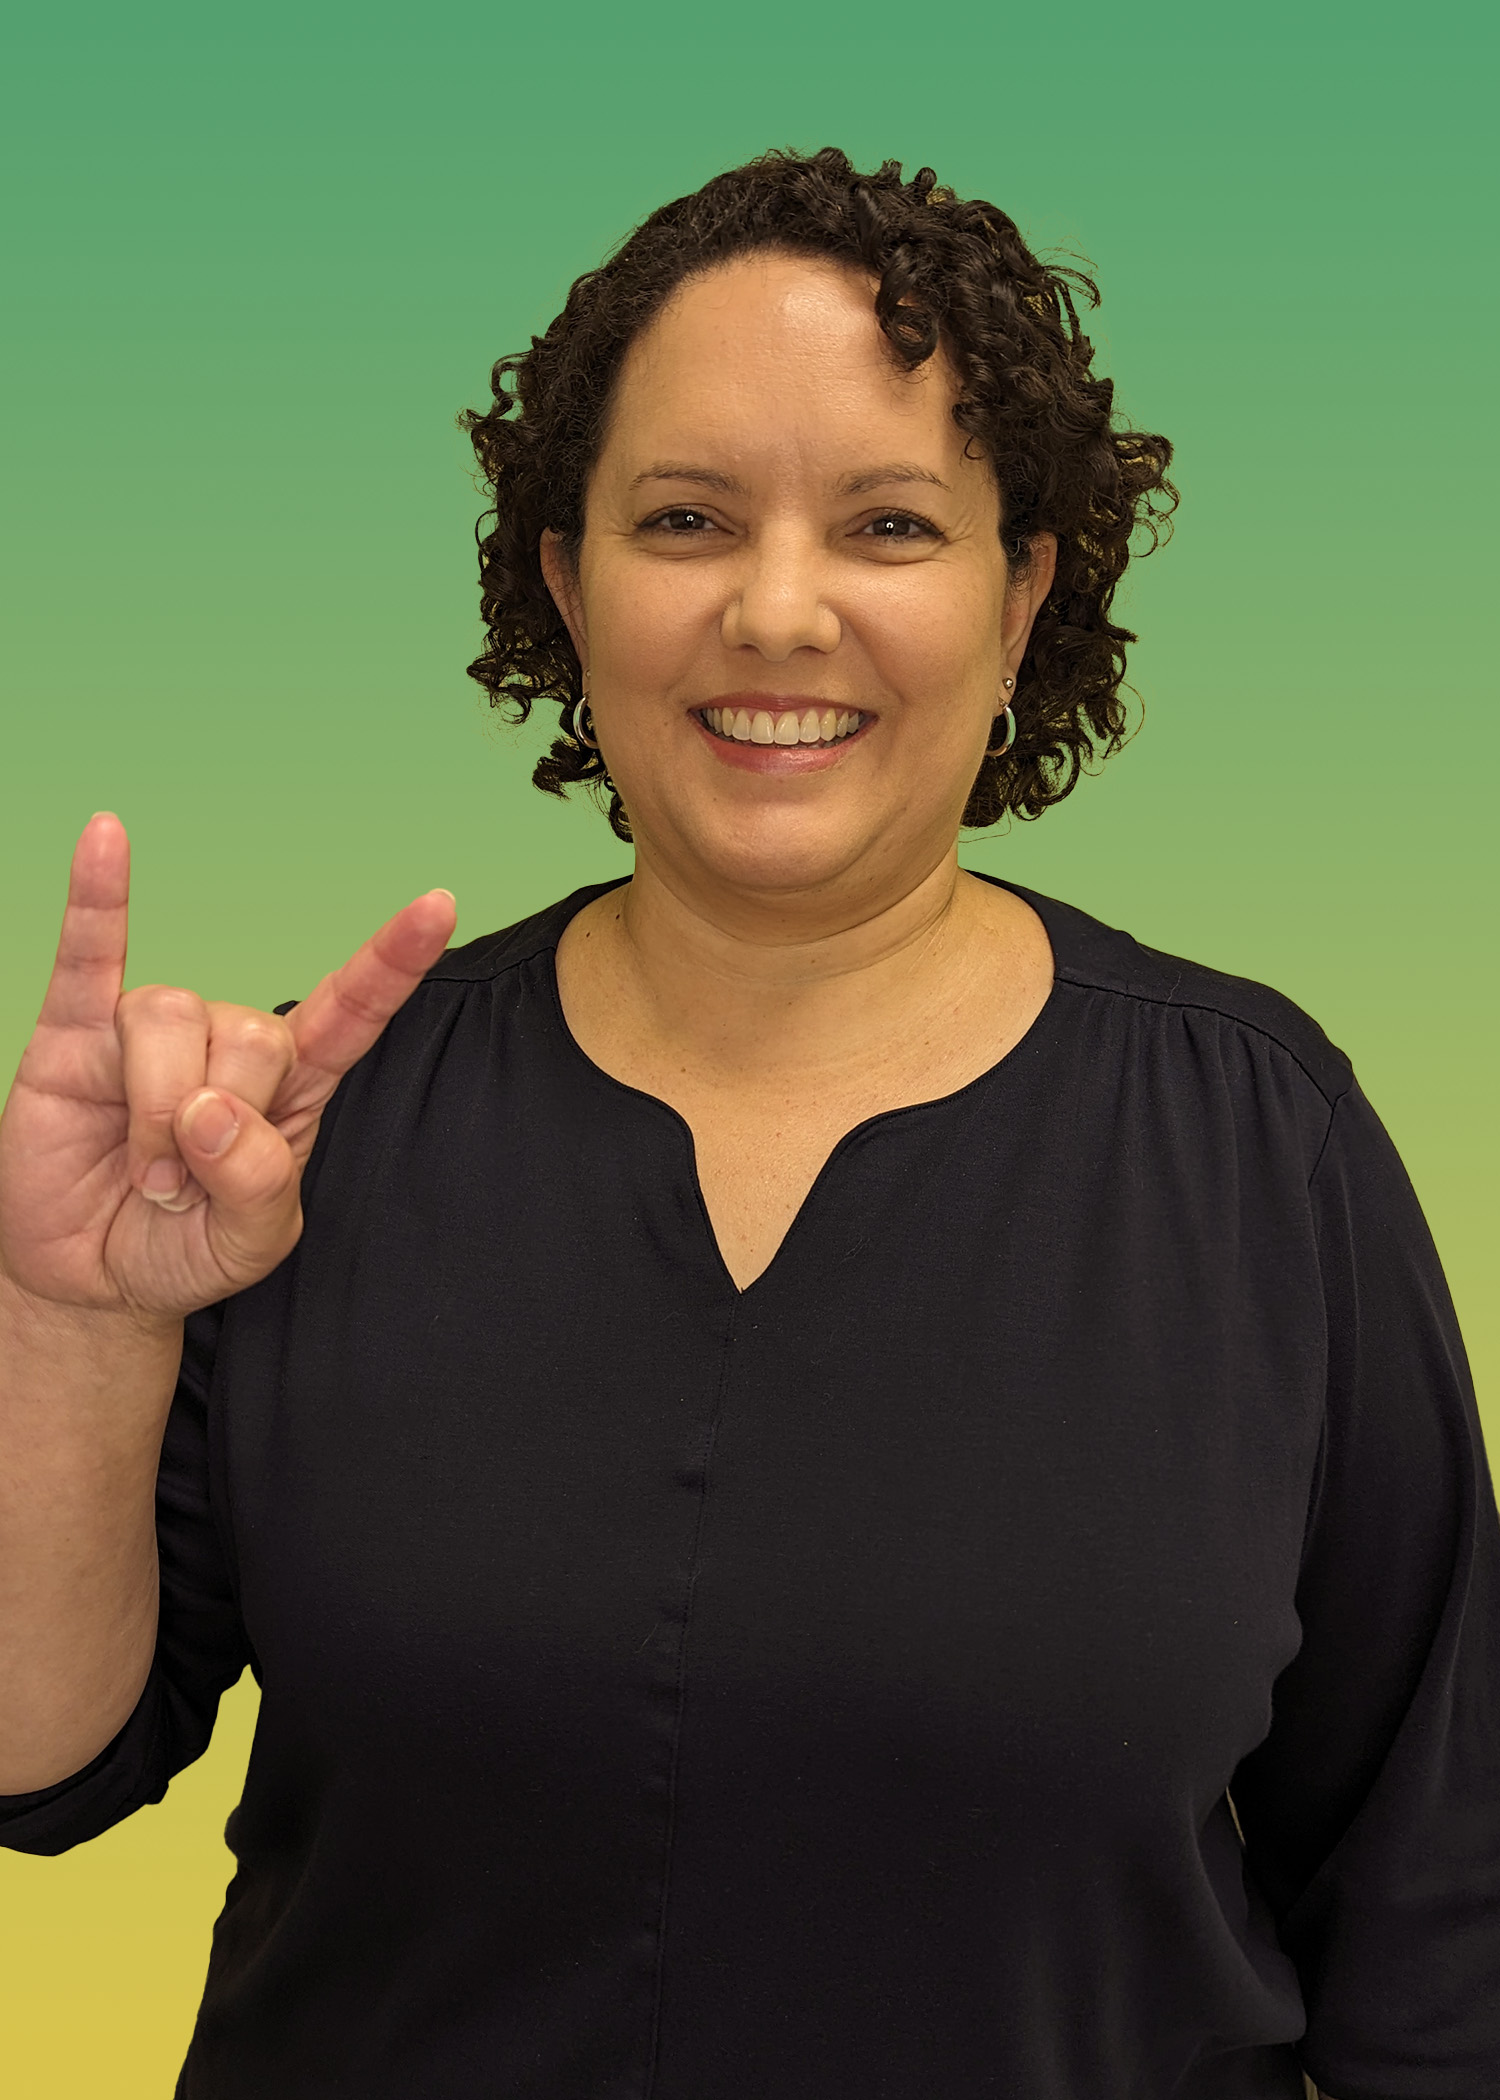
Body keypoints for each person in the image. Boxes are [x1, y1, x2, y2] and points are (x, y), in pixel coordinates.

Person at [0, 147, 1493, 2100]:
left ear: (1023, 590)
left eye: (888, 525)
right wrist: (75, 1324)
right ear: (568, 577)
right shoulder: (290, 1141)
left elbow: (1439, 1922)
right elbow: (41, 1769)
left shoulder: (1259, 1148)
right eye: (686, 519)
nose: (777, 613)